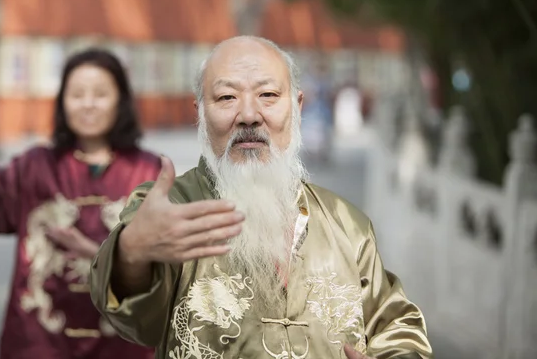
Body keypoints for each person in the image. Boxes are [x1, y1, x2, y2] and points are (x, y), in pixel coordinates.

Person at [90, 37, 433, 359]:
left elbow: (395, 324)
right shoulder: (170, 209)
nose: (250, 115)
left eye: (268, 95)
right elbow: (134, 320)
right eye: (227, 98)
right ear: (200, 112)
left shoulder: (347, 224)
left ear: (296, 105)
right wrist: (132, 252)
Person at [0, 49, 160, 359]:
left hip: (123, 342)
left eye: (100, 94)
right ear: (62, 101)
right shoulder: (35, 165)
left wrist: (98, 254)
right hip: (39, 340)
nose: (88, 103)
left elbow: (165, 261)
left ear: (120, 100)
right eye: (77, 94)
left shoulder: (149, 171)